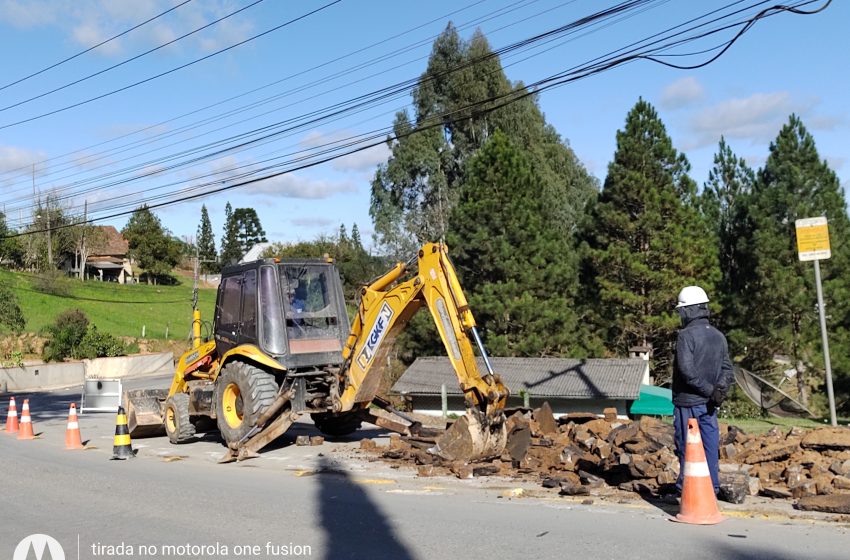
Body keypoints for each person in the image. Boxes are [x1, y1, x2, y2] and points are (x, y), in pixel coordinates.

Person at [672, 285, 735, 497]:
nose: (681, 315)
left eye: (682, 310)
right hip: (709, 405)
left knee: (686, 447)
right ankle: (711, 489)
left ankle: (687, 491)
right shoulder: (718, 336)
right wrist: (719, 391)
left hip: (687, 404)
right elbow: (728, 370)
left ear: (689, 310)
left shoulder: (685, 336)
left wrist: (709, 391)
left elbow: (687, 371)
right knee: (709, 445)